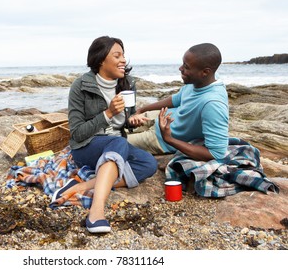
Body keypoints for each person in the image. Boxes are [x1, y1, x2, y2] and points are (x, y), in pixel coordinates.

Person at [51, 36, 157, 233]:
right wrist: (108, 114)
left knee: (148, 164)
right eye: (117, 55)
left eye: (123, 55)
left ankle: (81, 186)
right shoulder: (81, 86)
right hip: (86, 147)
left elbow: (124, 121)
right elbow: (77, 133)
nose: (123, 60)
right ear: (101, 60)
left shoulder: (128, 84)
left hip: (116, 145)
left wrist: (132, 120)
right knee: (118, 143)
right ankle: (96, 212)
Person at [127, 43, 229, 162]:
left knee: (116, 141)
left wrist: (169, 139)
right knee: (114, 126)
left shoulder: (213, 104)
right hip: (162, 117)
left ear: (205, 72)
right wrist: (143, 109)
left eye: (186, 67)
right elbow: (174, 100)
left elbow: (216, 153)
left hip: (159, 139)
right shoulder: (199, 81)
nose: (180, 68)